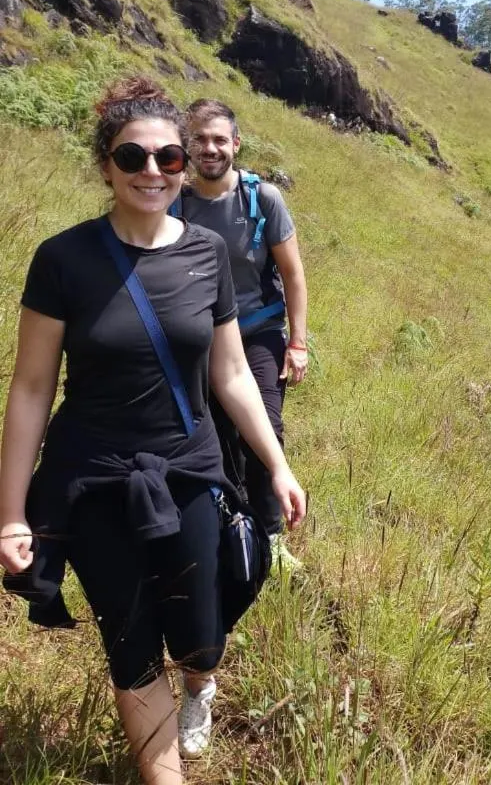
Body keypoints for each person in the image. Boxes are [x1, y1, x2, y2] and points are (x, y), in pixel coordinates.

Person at [0, 77, 306, 785]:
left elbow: (230, 375)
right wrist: (12, 511)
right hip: (95, 476)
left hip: (190, 470)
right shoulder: (63, 260)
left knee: (200, 636)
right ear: (105, 165)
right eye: (132, 158)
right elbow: (32, 388)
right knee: (131, 644)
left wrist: (277, 466)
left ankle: (202, 679)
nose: (153, 172)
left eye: (168, 159)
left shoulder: (205, 255)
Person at [175, 99, 308, 572]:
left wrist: (297, 342)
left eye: (218, 140)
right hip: (202, 337)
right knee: (216, 434)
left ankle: (271, 538)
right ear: (187, 145)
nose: (209, 149)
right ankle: (234, 525)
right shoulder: (176, 200)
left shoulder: (261, 199)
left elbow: (292, 275)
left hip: (258, 330)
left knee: (264, 428)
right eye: (199, 140)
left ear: (235, 144)